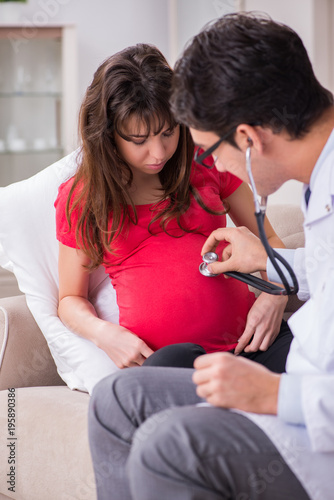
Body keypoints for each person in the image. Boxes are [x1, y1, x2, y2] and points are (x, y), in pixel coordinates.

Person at [88, 13, 334, 500]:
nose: (213, 167)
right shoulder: (319, 184)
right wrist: (272, 264)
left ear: (248, 138)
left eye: (207, 150)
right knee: (115, 399)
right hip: (302, 391)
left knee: (168, 444)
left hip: (312, 425)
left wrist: (272, 394)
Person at [55, 42, 291, 372]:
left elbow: (272, 244)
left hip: (253, 342)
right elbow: (70, 299)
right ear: (107, 136)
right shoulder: (82, 197)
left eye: (168, 132)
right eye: (139, 140)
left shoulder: (209, 161)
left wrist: (274, 297)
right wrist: (104, 334)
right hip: (170, 360)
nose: (158, 152)